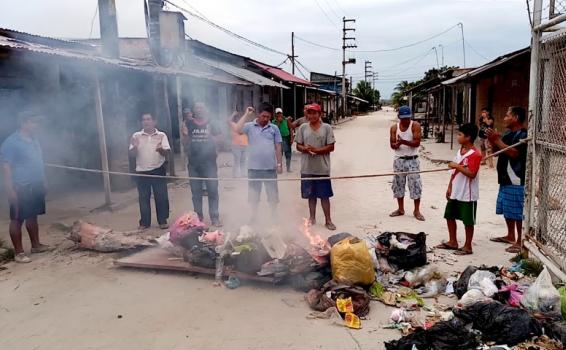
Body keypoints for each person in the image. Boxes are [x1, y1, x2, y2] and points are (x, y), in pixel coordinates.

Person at [1, 110, 51, 263]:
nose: (37, 125)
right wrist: (9, 189)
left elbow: (39, 161)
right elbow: (6, 166)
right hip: (20, 186)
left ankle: (36, 245)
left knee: (32, 215)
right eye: (33, 122)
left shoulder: (34, 139)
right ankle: (19, 252)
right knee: (17, 219)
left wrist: (44, 180)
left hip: (35, 184)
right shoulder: (11, 142)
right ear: (24, 123)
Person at [436, 123, 483, 255]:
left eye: (460, 134)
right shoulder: (460, 151)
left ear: (468, 137)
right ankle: (453, 241)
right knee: (449, 215)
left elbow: (472, 174)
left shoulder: (475, 154)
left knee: (468, 221)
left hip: (467, 194)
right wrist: (449, 187)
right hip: (456, 190)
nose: (457, 137)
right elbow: (453, 173)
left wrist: (456, 166)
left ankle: (468, 246)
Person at [487, 106, 528, 254]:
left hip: (515, 178)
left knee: (516, 211)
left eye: (507, 115)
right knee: (507, 208)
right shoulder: (508, 134)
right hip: (504, 178)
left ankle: (519, 241)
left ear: (516, 117)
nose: (504, 118)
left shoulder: (522, 135)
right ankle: (510, 235)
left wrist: (496, 139)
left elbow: (514, 153)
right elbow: (496, 153)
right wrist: (492, 141)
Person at [236, 102, 283, 223]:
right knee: (254, 196)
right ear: (258, 114)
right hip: (254, 168)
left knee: (272, 195)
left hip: (270, 168)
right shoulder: (249, 126)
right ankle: (254, 216)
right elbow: (237, 129)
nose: (266, 119)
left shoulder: (274, 128)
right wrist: (246, 114)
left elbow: (278, 146)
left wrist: (279, 164)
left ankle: (273, 215)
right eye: (263, 116)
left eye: (268, 117)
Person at [296, 103, 336, 230]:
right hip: (307, 168)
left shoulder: (327, 128)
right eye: (309, 113)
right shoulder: (303, 127)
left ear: (320, 114)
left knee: (324, 196)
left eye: (314, 113)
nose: (312, 115)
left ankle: (328, 220)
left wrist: (316, 150)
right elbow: (298, 145)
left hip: (322, 169)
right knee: (311, 195)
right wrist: (305, 149)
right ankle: (312, 218)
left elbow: (331, 147)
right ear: (306, 114)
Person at [183, 102, 222, 226]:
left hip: (209, 162)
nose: (199, 110)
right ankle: (198, 218)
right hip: (194, 164)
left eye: (201, 108)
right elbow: (185, 143)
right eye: (197, 108)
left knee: (212, 191)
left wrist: (210, 135)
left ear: (206, 110)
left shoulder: (213, 123)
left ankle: (215, 217)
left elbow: (220, 140)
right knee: (196, 193)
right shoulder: (188, 124)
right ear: (194, 111)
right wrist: (184, 134)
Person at [129, 113, 171, 230]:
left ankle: (162, 221)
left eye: (148, 119)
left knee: (161, 197)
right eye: (143, 120)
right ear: (141, 122)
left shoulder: (161, 135)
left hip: (158, 169)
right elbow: (132, 155)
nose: (146, 122)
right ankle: (144, 222)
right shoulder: (136, 136)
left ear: (154, 121)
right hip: (142, 171)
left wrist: (160, 149)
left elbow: (166, 153)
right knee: (143, 198)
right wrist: (135, 147)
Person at [389, 106, 425, 221]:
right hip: (399, 159)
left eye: (407, 118)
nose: (405, 120)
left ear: (410, 116)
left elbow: (416, 143)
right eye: (403, 118)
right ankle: (400, 209)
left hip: (412, 159)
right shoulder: (394, 128)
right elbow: (392, 145)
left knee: (415, 185)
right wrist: (397, 144)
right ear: (399, 117)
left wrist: (402, 141)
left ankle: (416, 210)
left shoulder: (415, 126)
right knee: (398, 184)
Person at [273, 107, 294, 172]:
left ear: (282, 113)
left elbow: (291, 128)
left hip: (286, 137)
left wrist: (291, 138)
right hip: (279, 139)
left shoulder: (286, 120)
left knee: (288, 153)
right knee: (279, 154)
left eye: (280, 113)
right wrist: (279, 122)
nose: (279, 115)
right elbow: (275, 130)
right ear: (275, 114)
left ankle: (288, 168)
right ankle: (280, 168)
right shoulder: (273, 122)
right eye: (278, 113)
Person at [228, 111, 248, 178]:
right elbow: (228, 121)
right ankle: (235, 174)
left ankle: (243, 173)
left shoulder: (245, 125)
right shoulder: (233, 124)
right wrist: (233, 114)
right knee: (237, 160)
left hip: (245, 145)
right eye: (238, 118)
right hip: (236, 145)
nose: (239, 119)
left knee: (243, 160)